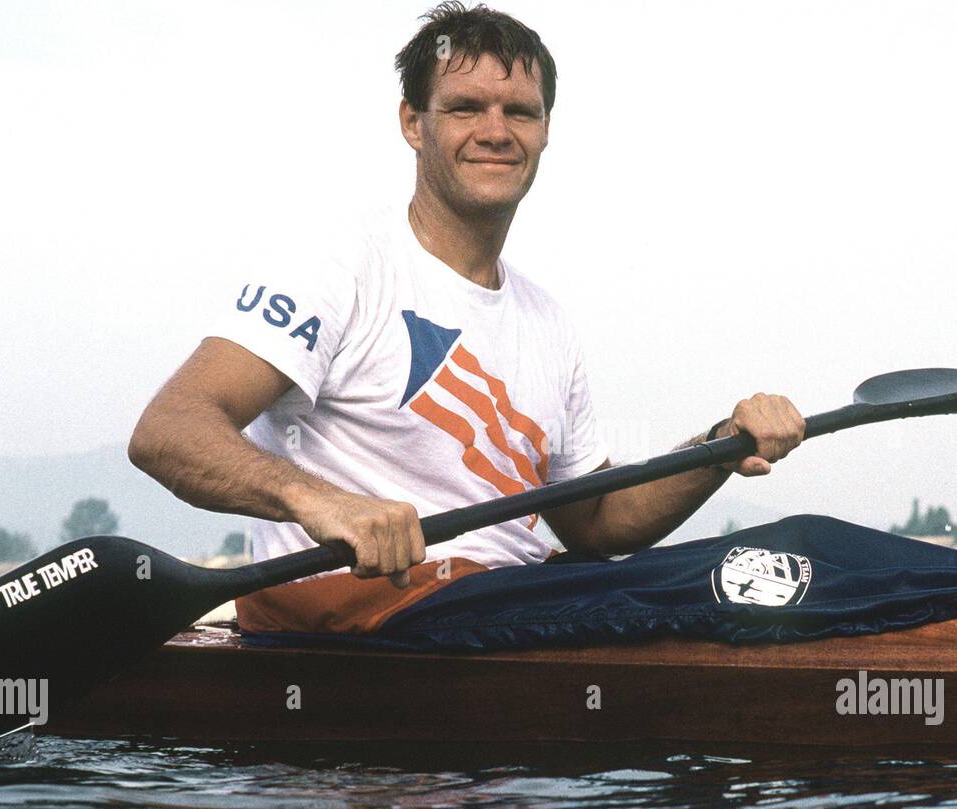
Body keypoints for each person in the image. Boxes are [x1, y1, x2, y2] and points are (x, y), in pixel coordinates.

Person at [128, 2, 805, 634]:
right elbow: (170, 429)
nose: (495, 131)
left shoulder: (547, 321)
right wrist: (320, 502)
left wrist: (721, 444)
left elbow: (597, 524)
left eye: (520, 111)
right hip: (352, 610)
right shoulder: (340, 267)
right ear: (412, 123)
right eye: (464, 108)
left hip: (494, 605)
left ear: (544, 132)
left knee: (783, 561)